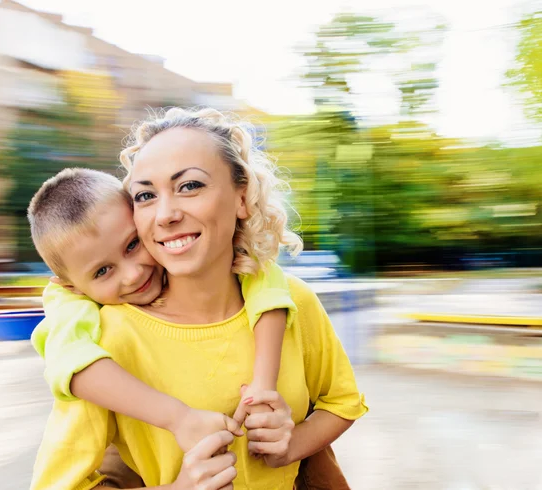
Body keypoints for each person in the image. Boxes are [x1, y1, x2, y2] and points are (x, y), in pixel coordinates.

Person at [30, 107, 368, 490]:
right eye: (145, 195)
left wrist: (292, 444)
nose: (167, 213)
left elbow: (341, 402)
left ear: (242, 197)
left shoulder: (293, 300)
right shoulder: (104, 343)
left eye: (190, 185)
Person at [27, 168, 295, 454]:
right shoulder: (69, 304)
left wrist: (263, 385)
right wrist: (178, 417)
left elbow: (264, 276)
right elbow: (71, 363)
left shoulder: (199, 260)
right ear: (72, 286)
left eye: (133, 244)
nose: (132, 274)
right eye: (103, 271)